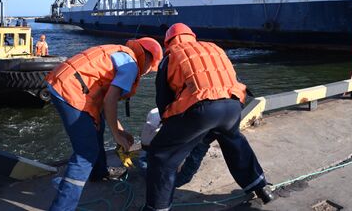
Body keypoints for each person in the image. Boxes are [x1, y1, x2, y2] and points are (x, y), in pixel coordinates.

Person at [144, 23, 273, 210]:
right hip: (233, 104)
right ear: (192, 36)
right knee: (234, 142)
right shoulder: (214, 48)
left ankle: (157, 207)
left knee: (162, 155)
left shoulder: (171, 55)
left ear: (167, 41)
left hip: (202, 109)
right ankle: (260, 187)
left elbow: (163, 98)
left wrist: (168, 125)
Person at [45, 38, 163, 211]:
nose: (146, 72)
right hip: (70, 90)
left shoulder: (119, 52)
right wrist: (116, 136)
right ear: (147, 58)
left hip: (63, 81)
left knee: (97, 125)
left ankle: (99, 172)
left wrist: (121, 131)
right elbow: (110, 100)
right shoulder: (130, 66)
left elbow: (103, 101)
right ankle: (62, 207)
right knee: (85, 154)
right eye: (149, 68)